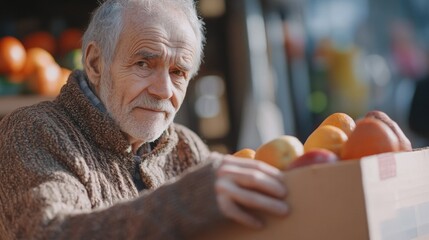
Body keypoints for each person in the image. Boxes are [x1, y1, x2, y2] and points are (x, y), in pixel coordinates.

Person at [0, 0, 289, 239]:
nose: (163, 90)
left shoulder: (188, 148)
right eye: (143, 64)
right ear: (95, 63)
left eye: (178, 73)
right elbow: (50, 233)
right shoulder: (32, 130)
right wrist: (186, 200)